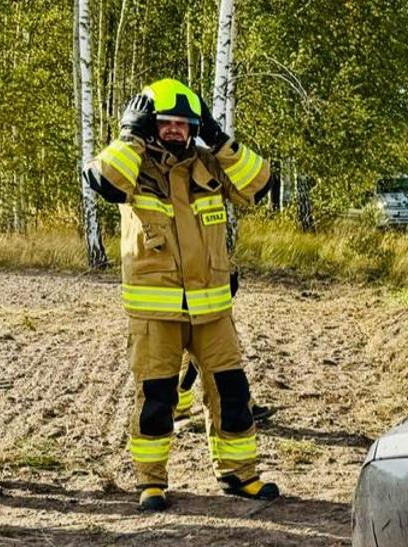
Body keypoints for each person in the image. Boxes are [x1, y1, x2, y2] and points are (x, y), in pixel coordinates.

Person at [83, 78, 280, 511]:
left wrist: (220, 139)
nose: (175, 129)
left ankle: (240, 474)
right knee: (157, 399)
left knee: (232, 393)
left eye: (184, 123)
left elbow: (260, 183)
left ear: (195, 127)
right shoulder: (133, 166)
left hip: (213, 310)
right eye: (166, 122)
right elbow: (102, 179)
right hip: (157, 314)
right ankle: (151, 481)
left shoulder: (209, 164)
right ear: (149, 124)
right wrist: (130, 136)